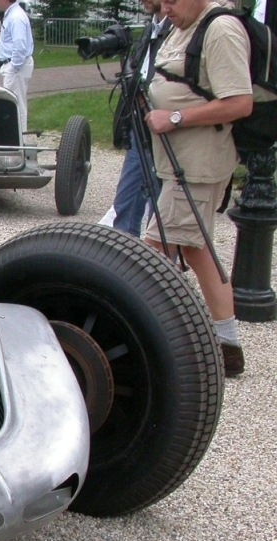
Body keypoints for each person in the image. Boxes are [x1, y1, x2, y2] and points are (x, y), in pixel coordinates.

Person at [143, 0, 253, 377]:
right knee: (196, 249)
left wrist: (174, 116)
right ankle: (227, 346)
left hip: (197, 167)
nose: (164, 7)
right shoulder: (183, 24)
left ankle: (147, 341)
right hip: (179, 164)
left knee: (151, 254)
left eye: (171, 0)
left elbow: (240, 102)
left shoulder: (220, 28)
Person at [98, 0, 170, 237]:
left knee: (161, 211)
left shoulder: (177, 30)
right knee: (127, 200)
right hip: (139, 125)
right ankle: (124, 259)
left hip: (164, 128)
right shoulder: (153, 27)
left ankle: (157, 263)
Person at [0, 0, 34, 132]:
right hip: (12, 65)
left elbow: (20, 45)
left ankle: (20, 140)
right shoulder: (11, 14)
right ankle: (15, 138)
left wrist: (14, 66)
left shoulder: (16, 17)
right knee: (13, 103)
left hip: (16, 66)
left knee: (16, 104)